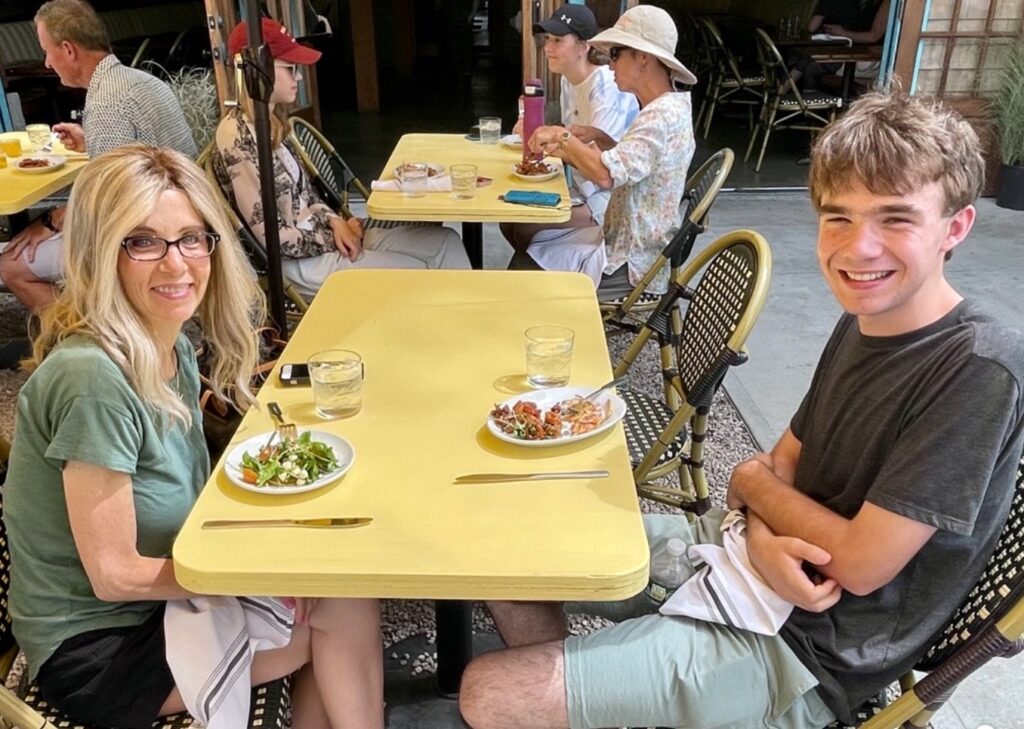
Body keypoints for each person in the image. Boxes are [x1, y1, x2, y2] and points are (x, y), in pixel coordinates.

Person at [458, 90, 1024, 729]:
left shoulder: (979, 366)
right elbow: (778, 463)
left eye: (896, 219)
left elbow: (860, 564)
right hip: (751, 560)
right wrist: (758, 525)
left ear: (956, 227)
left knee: (488, 691)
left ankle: (574, 693)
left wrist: (754, 489)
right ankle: (588, 697)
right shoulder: (865, 321)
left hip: (813, 652)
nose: (858, 248)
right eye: (838, 217)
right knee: (507, 553)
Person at [3, 145, 384, 729]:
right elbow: (114, 575)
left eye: (191, 237)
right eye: (143, 241)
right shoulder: (91, 378)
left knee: (334, 588)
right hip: (101, 648)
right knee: (339, 609)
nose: (177, 264)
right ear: (100, 252)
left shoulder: (170, 343)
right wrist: (257, 577)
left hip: (160, 605)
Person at [213, 18, 469, 299]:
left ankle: (471, 329)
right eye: (290, 68)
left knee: (447, 243)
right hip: (301, 264)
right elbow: (274, 239)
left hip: (325, 238)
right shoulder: (237, 136)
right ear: (256, 72)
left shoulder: (272, 123)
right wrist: (338, 233)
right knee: (418, 274)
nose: (298, 77)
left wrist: (336, 222)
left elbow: (307, 196)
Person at [0, 0, 197, 311]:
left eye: (47, 51)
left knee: (10, 265)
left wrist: (49, 222)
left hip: (145, 236)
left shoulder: (106, 103)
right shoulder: (140, 81)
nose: (47, 63)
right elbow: (139, 155)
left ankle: (96, 338)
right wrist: (90, 140)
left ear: (68, 49)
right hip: (183, 218)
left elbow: (106, 202)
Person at [521, 5, 695, 298]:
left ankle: (554, 334)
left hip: (632, 259)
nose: (609, 63)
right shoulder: (667, 107)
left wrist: (563, 136)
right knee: (531, 247)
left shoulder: (659, 116)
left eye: (615, 53)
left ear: (643, 58)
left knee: (524, 273)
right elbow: (639, 166)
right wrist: (599, 137)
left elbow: (604, 176)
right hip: (631, 242)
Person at [500, 4, 638, 256]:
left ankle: (551, 273)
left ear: (584, 46)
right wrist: (535, 134)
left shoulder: (606, 87)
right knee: (509, 221)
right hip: (580, 187)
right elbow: (574, 140)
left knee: (525, 229)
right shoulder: (568, 80)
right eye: (548, 39)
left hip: (610, 199)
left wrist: (551, 139)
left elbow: (598, 166)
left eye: (558, 40)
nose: (548, 48)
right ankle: (541, 270)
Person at [789, 0, 891, 91]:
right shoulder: (856, 4)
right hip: (850, 53)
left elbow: (873, 36)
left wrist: (842, 33)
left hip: (869, 57)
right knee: (808, 62)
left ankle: (785, 97)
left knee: (810, 66)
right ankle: (804, 106)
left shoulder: (886, 3)